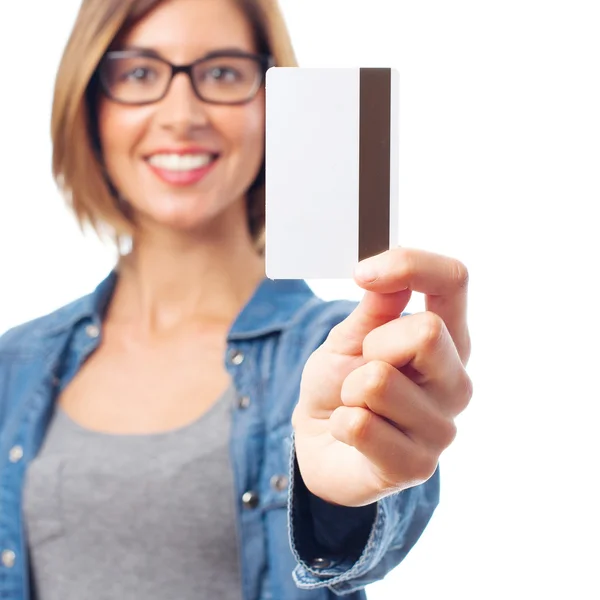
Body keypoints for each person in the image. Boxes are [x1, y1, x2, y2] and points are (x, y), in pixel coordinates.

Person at [0, 0, 472, 598]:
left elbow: (379, 516)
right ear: (90, 106)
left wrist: (336, 504)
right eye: (140, 73)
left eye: (223, 73)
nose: (181, 114)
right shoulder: (14, 364)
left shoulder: (342, 355)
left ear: (275, 106)